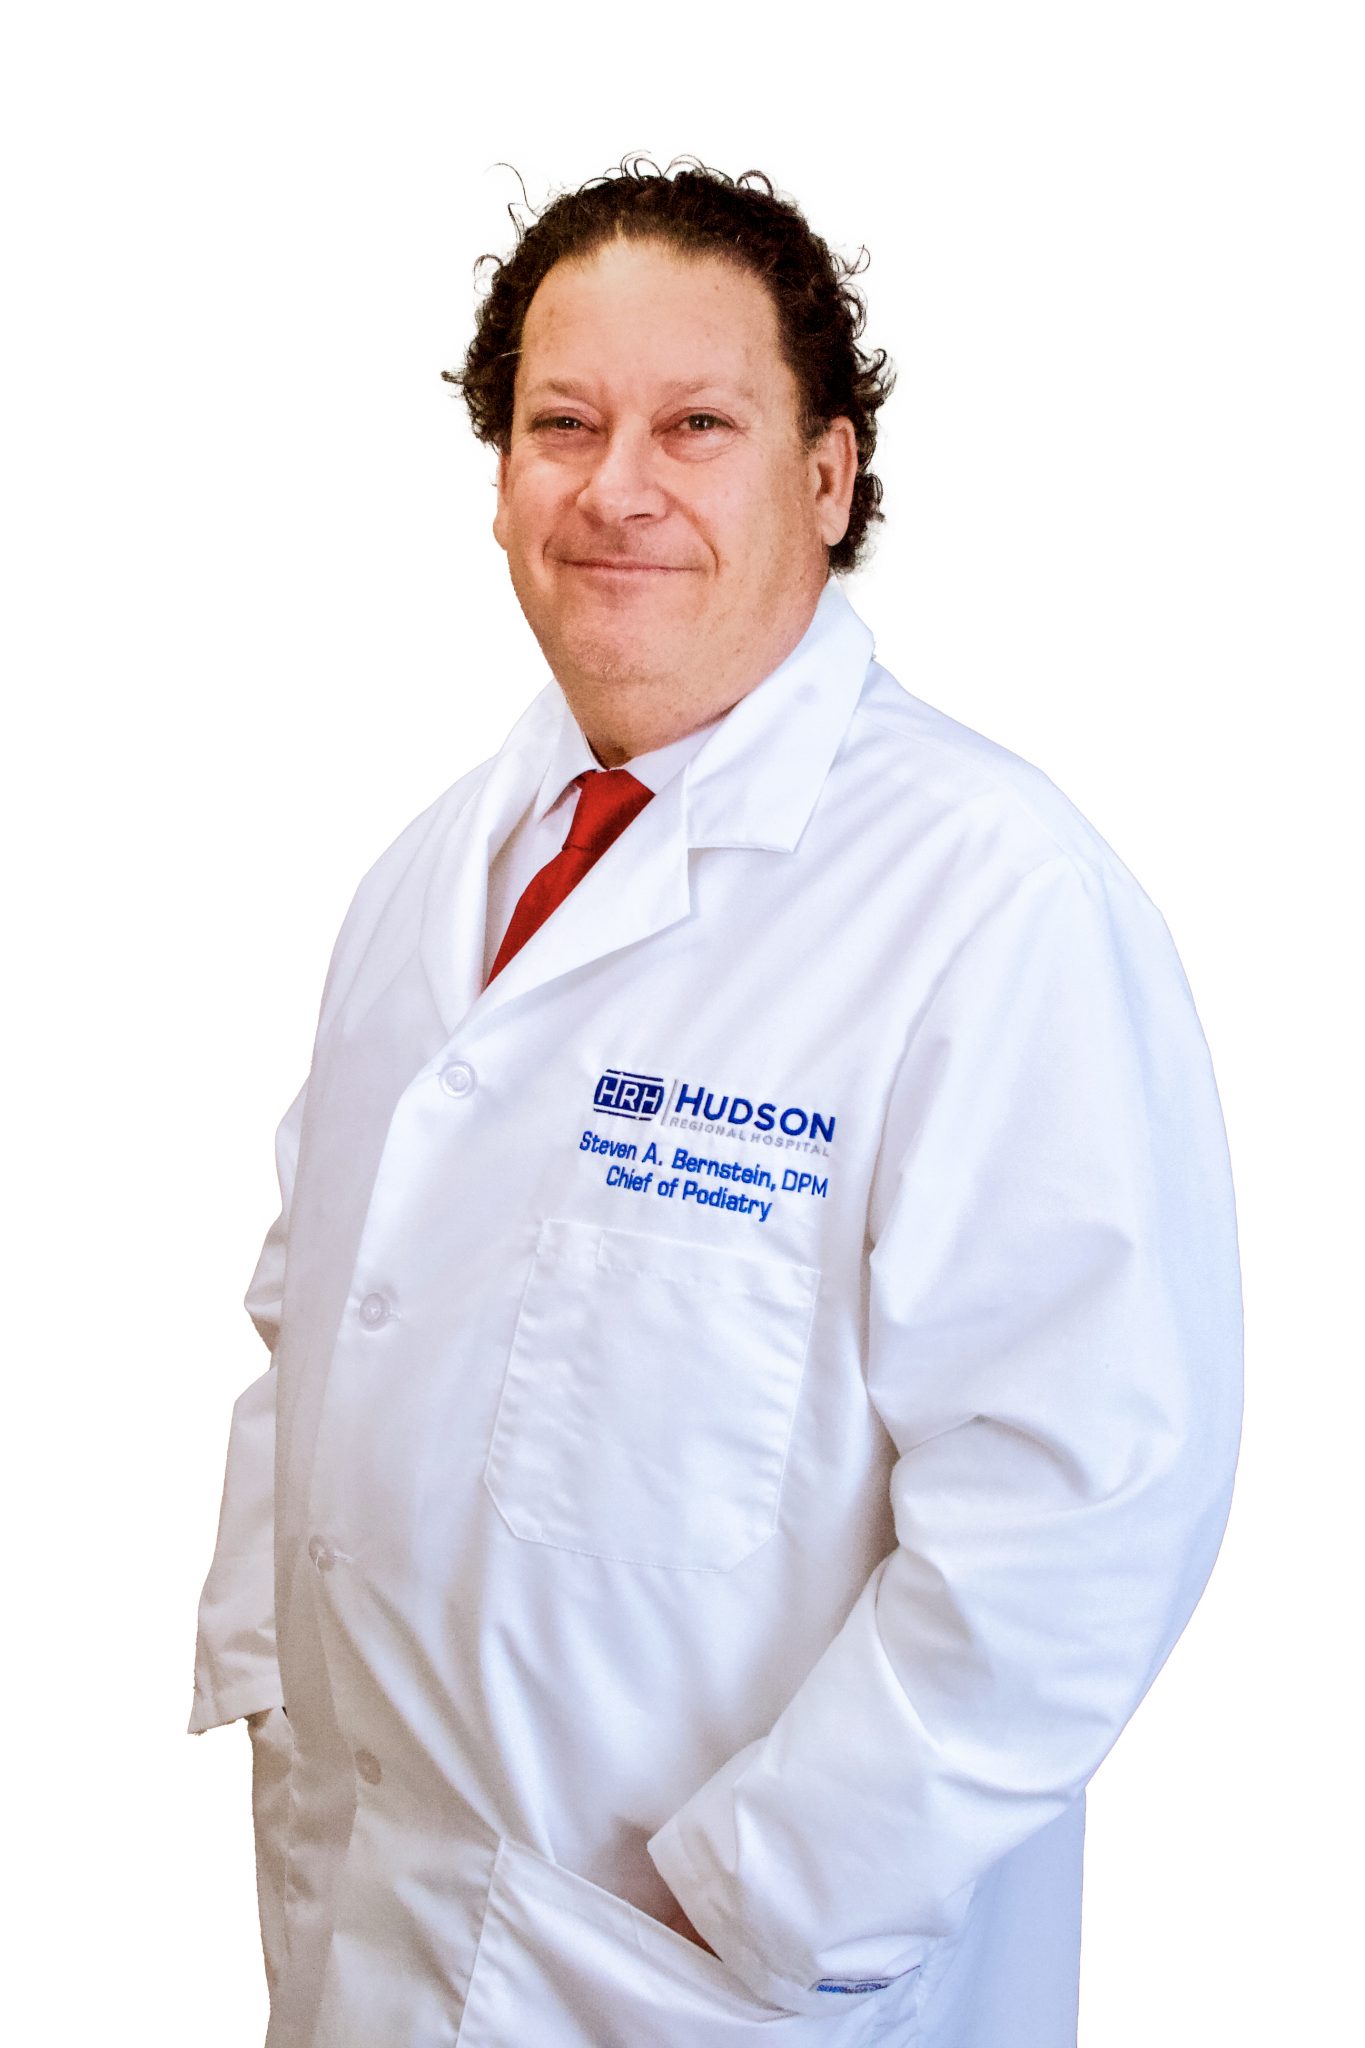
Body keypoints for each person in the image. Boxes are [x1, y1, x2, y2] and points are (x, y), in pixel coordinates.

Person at [189, 159, 1243, 2048]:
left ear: (826, 478)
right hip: (369, 1934)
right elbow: (321, 1332)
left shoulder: (989, 899)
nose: (617, 488)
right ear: (498, 475)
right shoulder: (433, 878)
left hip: (703, 1985)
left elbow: (1085, 1500)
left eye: (696, 426)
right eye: (561, 425)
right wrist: (275, 1679)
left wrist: (771, 1895)